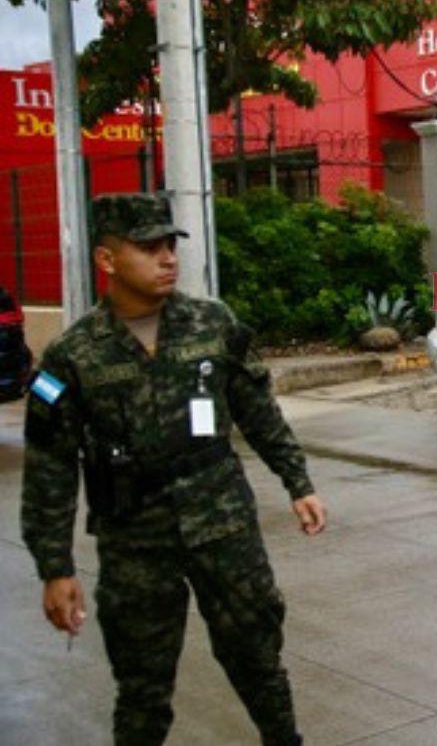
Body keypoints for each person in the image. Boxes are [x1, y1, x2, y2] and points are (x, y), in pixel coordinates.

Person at [21, 192, 327, 746]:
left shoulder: (213, 323)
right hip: (135, 540)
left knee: (259, 661)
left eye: (170, 246)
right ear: (108, 260)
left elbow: (257, 407)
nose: (167, 258)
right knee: (141, 688)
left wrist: (296, 481)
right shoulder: (73, 356)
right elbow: (50, 466)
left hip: (223, 524)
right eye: (148, 248)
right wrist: (55, 567)